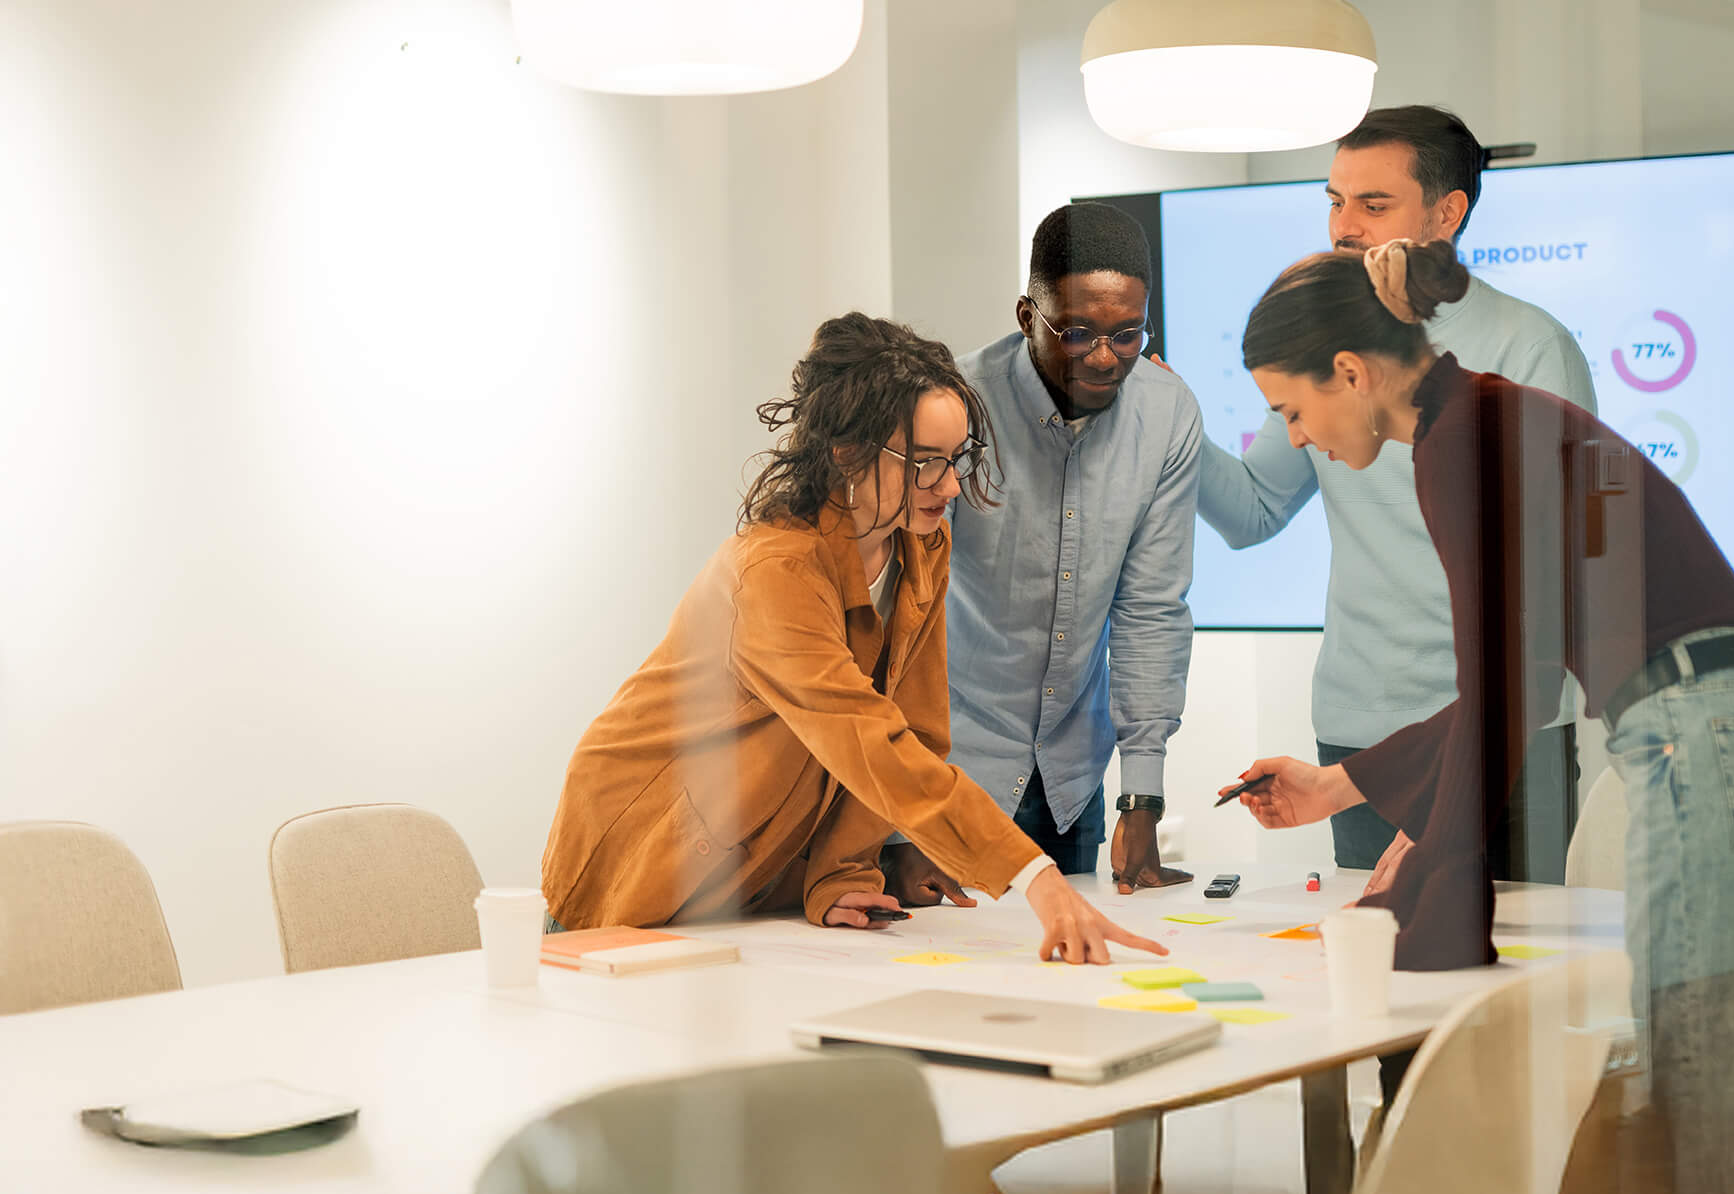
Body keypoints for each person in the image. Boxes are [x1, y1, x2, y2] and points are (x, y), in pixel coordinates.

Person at [1224, 238, 1734, 1194]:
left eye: (1292, 412)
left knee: (1708, 1058)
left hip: (1696, 724)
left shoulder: (1459, 443)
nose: (1297, 437)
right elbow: (1523, 672)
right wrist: (1351, 792)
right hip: (1723, 717)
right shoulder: (1490, 418)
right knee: (1709, 1050)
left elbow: (1500, 683)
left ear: (1349, 372)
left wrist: (1427, 859)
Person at [542, 312, 1165, 966]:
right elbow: (867, 737)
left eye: (957, 460)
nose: (949, 486)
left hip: (746, 876)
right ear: (846, 451)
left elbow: (915, 728)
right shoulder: (773, 573)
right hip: (642, 855)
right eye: (925, 463)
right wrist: (1032, 874)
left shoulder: (919, 542)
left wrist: (841, 871)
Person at [1197, 105, 1597, 888]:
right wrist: (1161, 417)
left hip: (1508, 726)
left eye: (1372, 205)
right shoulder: (1322, 344)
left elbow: (1558, 572)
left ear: (1445, 214)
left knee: (1512, 967)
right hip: (1360, 723)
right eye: (1333, 200)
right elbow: (1249, 511)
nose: (1343, 227)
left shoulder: (1529, 348)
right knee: (1383, 966)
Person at [882, 202, 1199, 909]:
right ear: (1027, 315)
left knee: (1070, 989)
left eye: (1127, 333)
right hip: (949, 772)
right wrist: (892, 828)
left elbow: (1149, 608)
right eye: (1077, 331)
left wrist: (1139, 796)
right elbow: (897, 613)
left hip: (1069, 778)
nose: (1103, 355)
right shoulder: (954, 405)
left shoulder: (1168, 413)